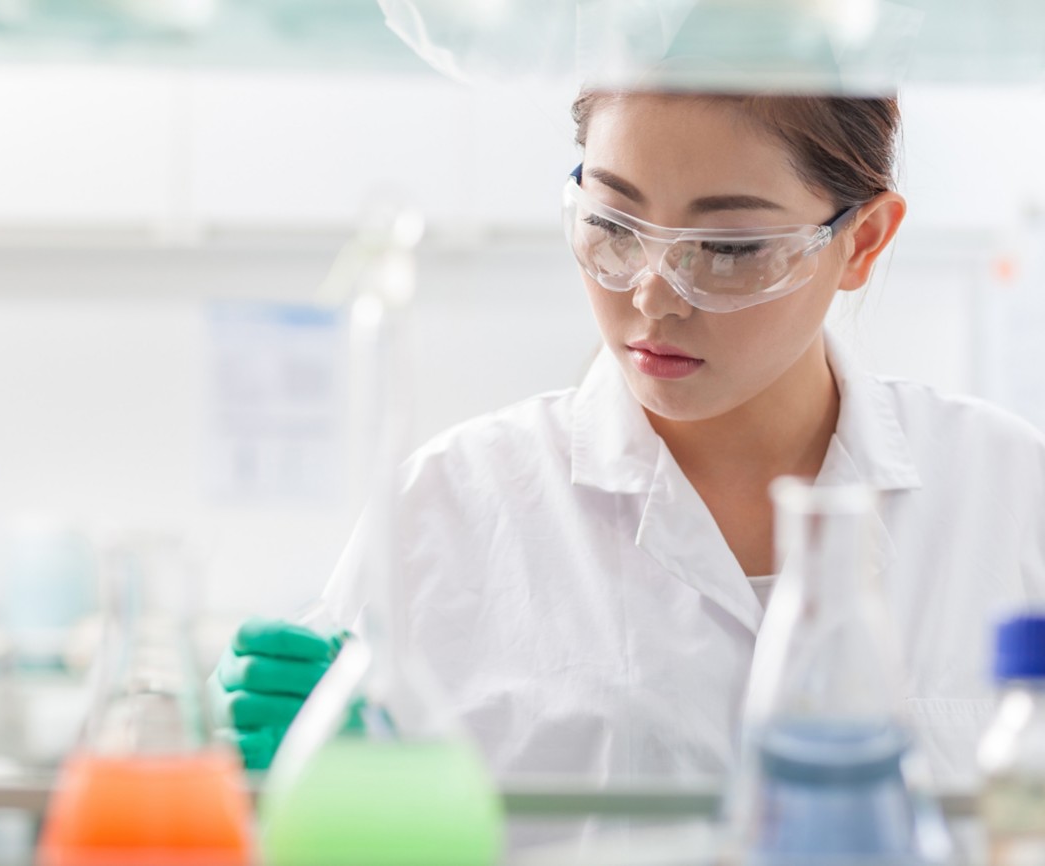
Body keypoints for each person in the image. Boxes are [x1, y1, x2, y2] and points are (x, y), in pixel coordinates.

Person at [209, 89, 1045, 785]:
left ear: (862, 240)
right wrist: (281, 778)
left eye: (726, 248)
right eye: (613, 224)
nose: (654, 297)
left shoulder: (1009, 492)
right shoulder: (448, 508)